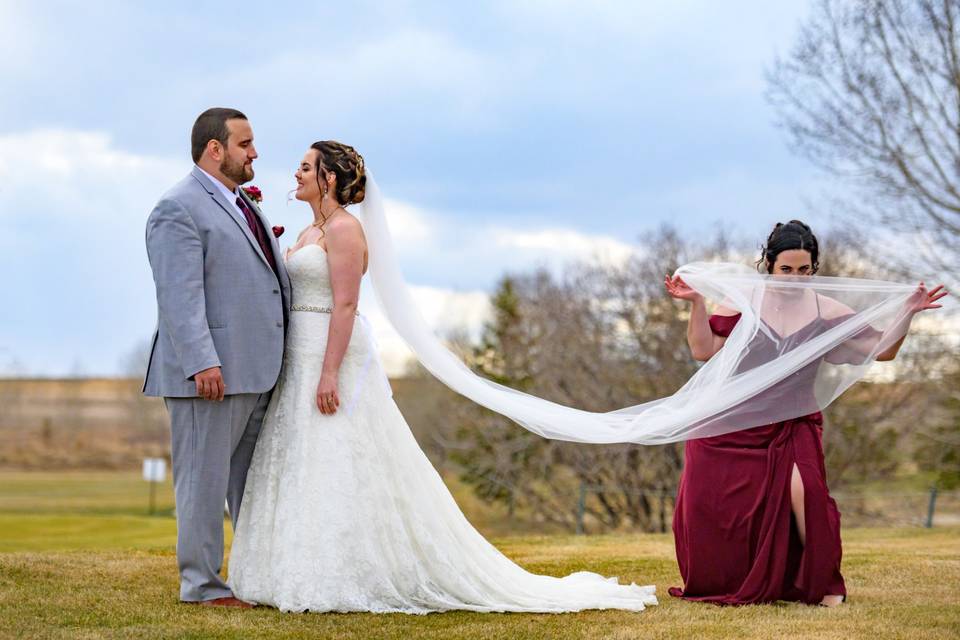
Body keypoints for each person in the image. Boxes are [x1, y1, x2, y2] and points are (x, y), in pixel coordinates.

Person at [226, 141, 658, 613]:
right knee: (296, 456)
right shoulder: (311, 230)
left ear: (328, 178)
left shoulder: (347, 230)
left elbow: (346, 304)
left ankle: (343, 570)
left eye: (306, 167)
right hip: (298, 355)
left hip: (328, 356)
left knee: (333, 454)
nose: (297, 174)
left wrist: (329, 371)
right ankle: (285, 565)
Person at [663, 220, 948, 606]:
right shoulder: (745, 299)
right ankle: (725, 582)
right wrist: (697, 304)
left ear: (814, 267)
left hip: (792, 424)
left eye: (804, 270)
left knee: (807, 495)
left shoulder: (826, 309)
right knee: (710, 506)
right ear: (769, 265)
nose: (796, 279)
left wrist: (908, 314)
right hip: (729, 422)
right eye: (787, 270)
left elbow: (881, 351)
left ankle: (824, 586)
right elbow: (704, 349)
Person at [144, 108, 291, 608]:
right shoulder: (178, 207)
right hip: (210, 376)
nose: (254, 153)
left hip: (254, 370)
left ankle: (251, 578)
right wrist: (202, 361)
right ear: (215, 149)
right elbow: (179, 296)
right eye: (245, 144)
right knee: (202, 486)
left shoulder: (240, 203)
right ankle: (202, 585)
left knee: (247, 486)